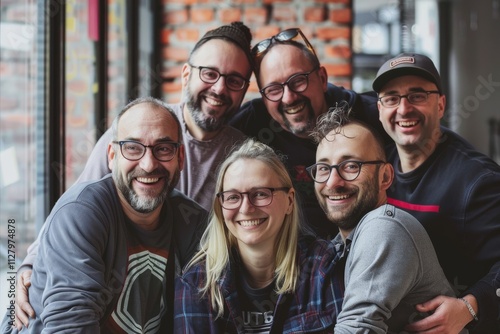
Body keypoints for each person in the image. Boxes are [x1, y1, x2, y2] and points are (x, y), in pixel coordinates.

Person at [12, 22, 252, 330]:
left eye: (234, 80)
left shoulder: (243, 155)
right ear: (186, 75)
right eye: (209, 73)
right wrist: (27, 270)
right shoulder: (139, 126)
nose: (219, 88)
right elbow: (73, 215)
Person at [1, 97, 207, 332]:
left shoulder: (192, 221)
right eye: (132, 147)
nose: (149, 164)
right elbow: (70, 328)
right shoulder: (82, 212)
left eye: (163, 149)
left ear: (180, 158)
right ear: (111, 155)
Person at [372, 53, 500, 333]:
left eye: (417, 96)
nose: (404, 109)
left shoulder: (478, 181)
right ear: (379, 109)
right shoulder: (377, 167)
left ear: (440, 105)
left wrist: (470, 306)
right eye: (392, 98)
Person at [307, 106, 456, 333]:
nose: (332, 182)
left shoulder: (384, 227)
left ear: (385, 176)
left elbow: (357, 330)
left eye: (350, 166)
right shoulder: (340, 244)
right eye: (324, 168)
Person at [229, 27, 387, 239]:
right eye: (274, 89)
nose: (288, 98)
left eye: (298, 81)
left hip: (367, 244)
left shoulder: (369, 115)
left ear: (322, 79)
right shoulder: (247, 125)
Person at [173, 138, 343, 333]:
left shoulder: (324, 269)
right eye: (233, 197)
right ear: (221, 207)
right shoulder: (196, 285)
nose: (246, 208)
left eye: (261, 194)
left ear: (289, 201)